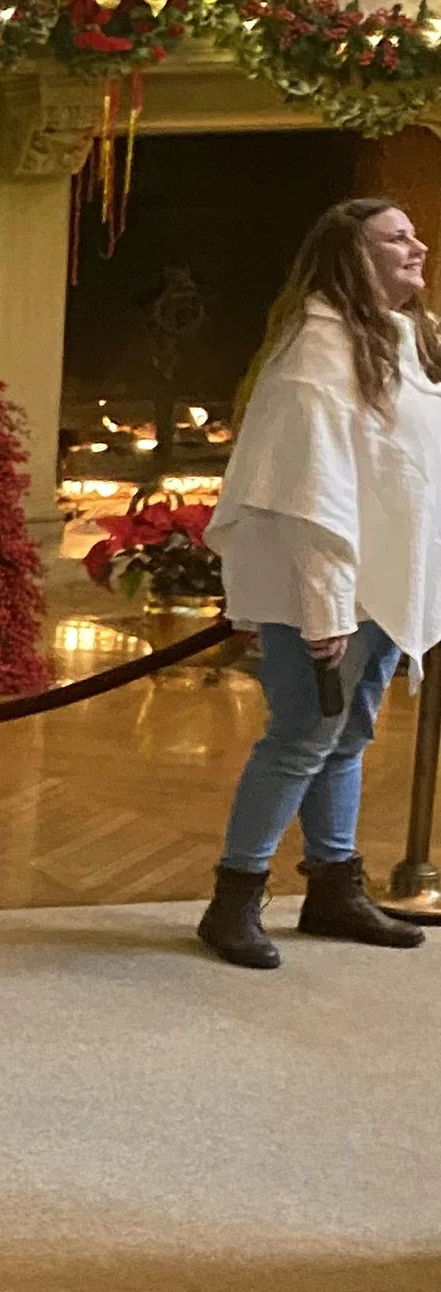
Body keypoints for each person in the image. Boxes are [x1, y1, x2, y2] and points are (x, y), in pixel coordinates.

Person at [198, 194, 441, 969]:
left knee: (348, 736)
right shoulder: (318, 349)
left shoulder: (399, 336)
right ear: (352, 257)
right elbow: (316, 490)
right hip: (324, 588)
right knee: (302, 736)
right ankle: (232, 899)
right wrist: (325, 606)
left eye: (414, 233)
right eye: (396, 237)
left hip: (373, 582)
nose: (418, 245)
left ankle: (334, 886)